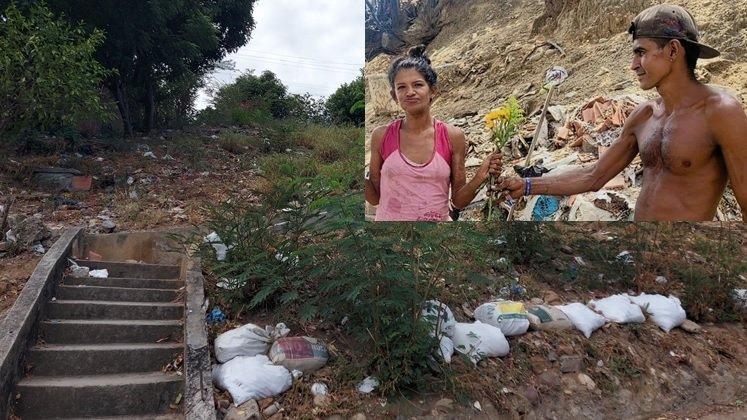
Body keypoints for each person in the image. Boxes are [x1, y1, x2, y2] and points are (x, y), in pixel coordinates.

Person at [497, 4, 747, 221]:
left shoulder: (719, 112)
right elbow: (594, 175)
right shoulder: (645, 115)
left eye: (641, 52)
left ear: (672, 51)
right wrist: (528, 185)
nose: (633, 65)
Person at [365, 45, 503, 221]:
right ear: (394, 96)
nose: (410, 92)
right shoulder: (382, 136)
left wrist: (480, 176)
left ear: (433, 91)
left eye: (417, 85)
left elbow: (459, 201)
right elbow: (374, 197)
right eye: (401, 87)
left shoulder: (453, 136)